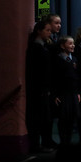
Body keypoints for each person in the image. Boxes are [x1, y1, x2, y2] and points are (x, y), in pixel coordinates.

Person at [26, 20, 55, 153]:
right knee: (37, 117)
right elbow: (36, 70)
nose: (49, 33)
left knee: (46, 117)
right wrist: (42, 87)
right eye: (47, 30)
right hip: (38, 89)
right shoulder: (35, 48)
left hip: (45, 87)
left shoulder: (44, 46)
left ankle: (47, 141)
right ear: (39, 31)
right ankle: (35, 144)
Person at [52, 35, 80, 146]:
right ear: (63, 46)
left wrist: (78, 92)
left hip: (73, 93)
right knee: (63, 118)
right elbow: (54, 79)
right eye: (70, 44)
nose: (72, 46)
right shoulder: (58, 60)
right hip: (63, 93)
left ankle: (68, 140)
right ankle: (63, 141)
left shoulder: (75, 59)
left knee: (72, 117)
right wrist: (55, 95)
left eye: (73, 43)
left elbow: (77, 77)